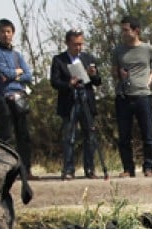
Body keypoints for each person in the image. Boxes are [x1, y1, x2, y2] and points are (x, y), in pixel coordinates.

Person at [112, 16, 152, 178]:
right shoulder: (118, 50)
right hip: (123, 96)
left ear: (136, 31)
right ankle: (128, 168)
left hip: (143, 96)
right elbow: (113, 71)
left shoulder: (148, 49)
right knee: (124, 136)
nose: (123, 33)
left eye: (126, 30)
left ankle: (148, 167)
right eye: (122, 30)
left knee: (148, 134)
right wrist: (118, 74)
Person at [50, 29, 102, 180]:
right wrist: (69, 83)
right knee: (69, 136)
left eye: (80, 44)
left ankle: (90, 169)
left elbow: (98, 82)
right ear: (67, 43)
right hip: (69, 102)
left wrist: (93, 75)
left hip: (86, 100)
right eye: (75, 44)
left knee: (90, 136)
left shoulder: (88, 58)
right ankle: (68, 170)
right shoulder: (59, 60)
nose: (78, 48)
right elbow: (54, 82)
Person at [0, 19, 34, 177]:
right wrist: (16, 72)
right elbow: (3, 72)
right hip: (4, 98)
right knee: (6, 136)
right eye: (3, 32)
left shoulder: (17, 55)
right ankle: (5, 172)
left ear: (13, 33)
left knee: (24, 135)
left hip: (20, 97)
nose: (6, 35)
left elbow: (28, 75)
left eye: (8, 31)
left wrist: (15, 75)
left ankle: (26, 170)